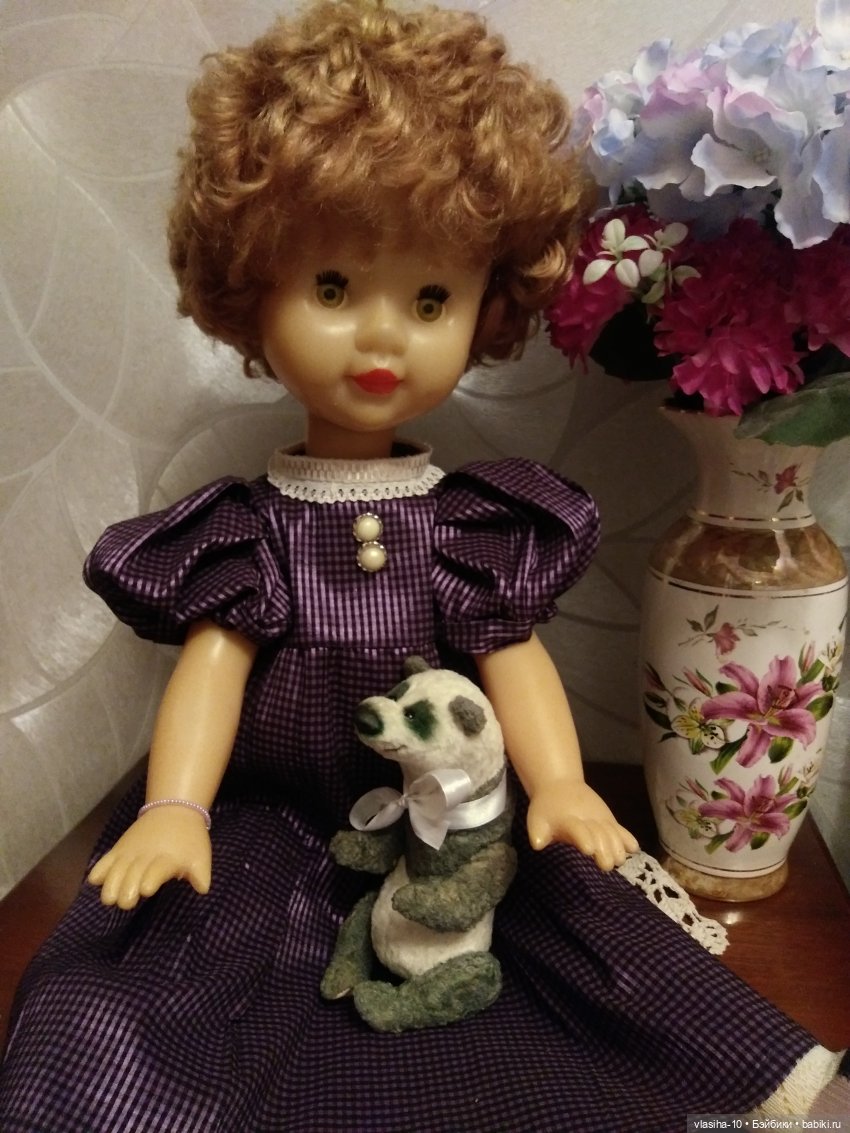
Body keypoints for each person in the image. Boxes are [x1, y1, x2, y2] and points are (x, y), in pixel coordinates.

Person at [0, 3, 845, 1129]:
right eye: (333, 288)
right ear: (248, 286)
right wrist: (174, 807)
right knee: (128, 1004)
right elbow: (212, 668)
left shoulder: (473, 528)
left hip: (457, 823)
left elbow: (512, 657)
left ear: (486, 306)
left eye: (431, 298)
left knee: (595, 943)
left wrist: (559, 785)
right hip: (267, 827)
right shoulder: (252, 534)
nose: (384, 336)